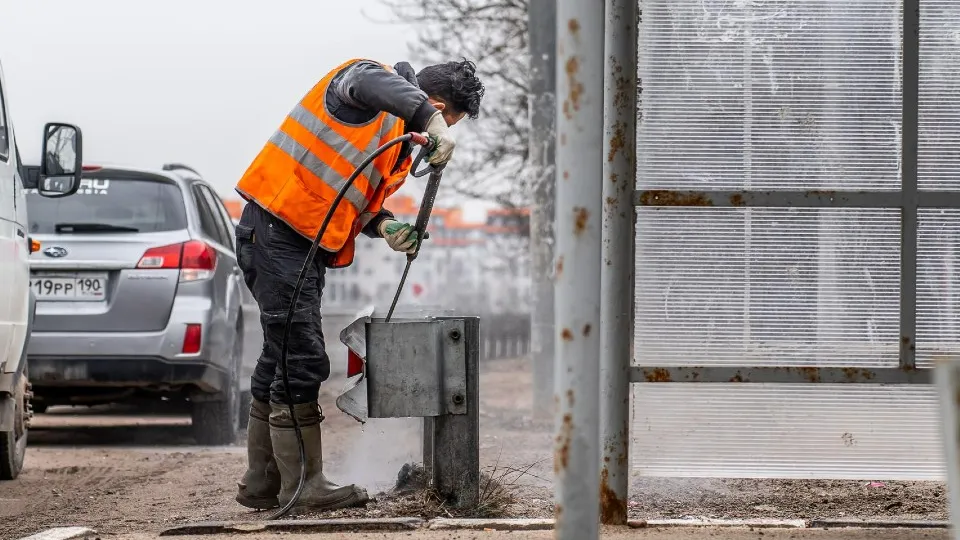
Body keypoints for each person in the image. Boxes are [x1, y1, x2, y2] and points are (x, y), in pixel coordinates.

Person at [232, 58, 484, 513]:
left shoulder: (392, 144)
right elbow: (364, 78)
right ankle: (302, 487)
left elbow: (355, 199)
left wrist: (385, 226)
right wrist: (431, 122)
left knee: (280, 355)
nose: (443, 132)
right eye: (449, 121)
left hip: (293, 240)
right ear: (437, 105)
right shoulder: (365, 88)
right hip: (277, 230)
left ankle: (262, 481)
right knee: (302, 356)